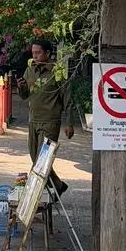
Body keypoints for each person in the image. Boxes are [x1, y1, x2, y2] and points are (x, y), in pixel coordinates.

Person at [16, 37, 73, 196]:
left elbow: (67, 99)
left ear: (48, 53)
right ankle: (57, 184)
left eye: (38, 53)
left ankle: (34, 195)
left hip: (50, 122)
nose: (35, 56)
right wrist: (20, 87)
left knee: (42, 160)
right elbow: (25, 95)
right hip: (33, 120)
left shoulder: (58, 71)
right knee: (36, 158)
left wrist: (68, 123)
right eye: (33, 53)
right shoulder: (30, 70)